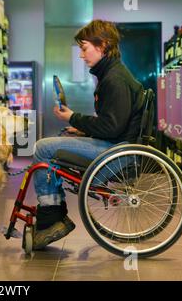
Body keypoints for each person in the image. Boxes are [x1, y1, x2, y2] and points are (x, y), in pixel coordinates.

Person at [33, 20, 145, 250]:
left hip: (115, 152)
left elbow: (111, 127)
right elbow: (113, 124)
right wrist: (81, 128)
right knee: (56, 142)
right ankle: (54, 212)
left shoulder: (115, 79)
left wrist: (73, 117)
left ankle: (51, 218)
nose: (82, 56)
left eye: (84, 48)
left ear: (102, 45)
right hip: (116, 145)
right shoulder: (112, 74)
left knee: (43, 148)